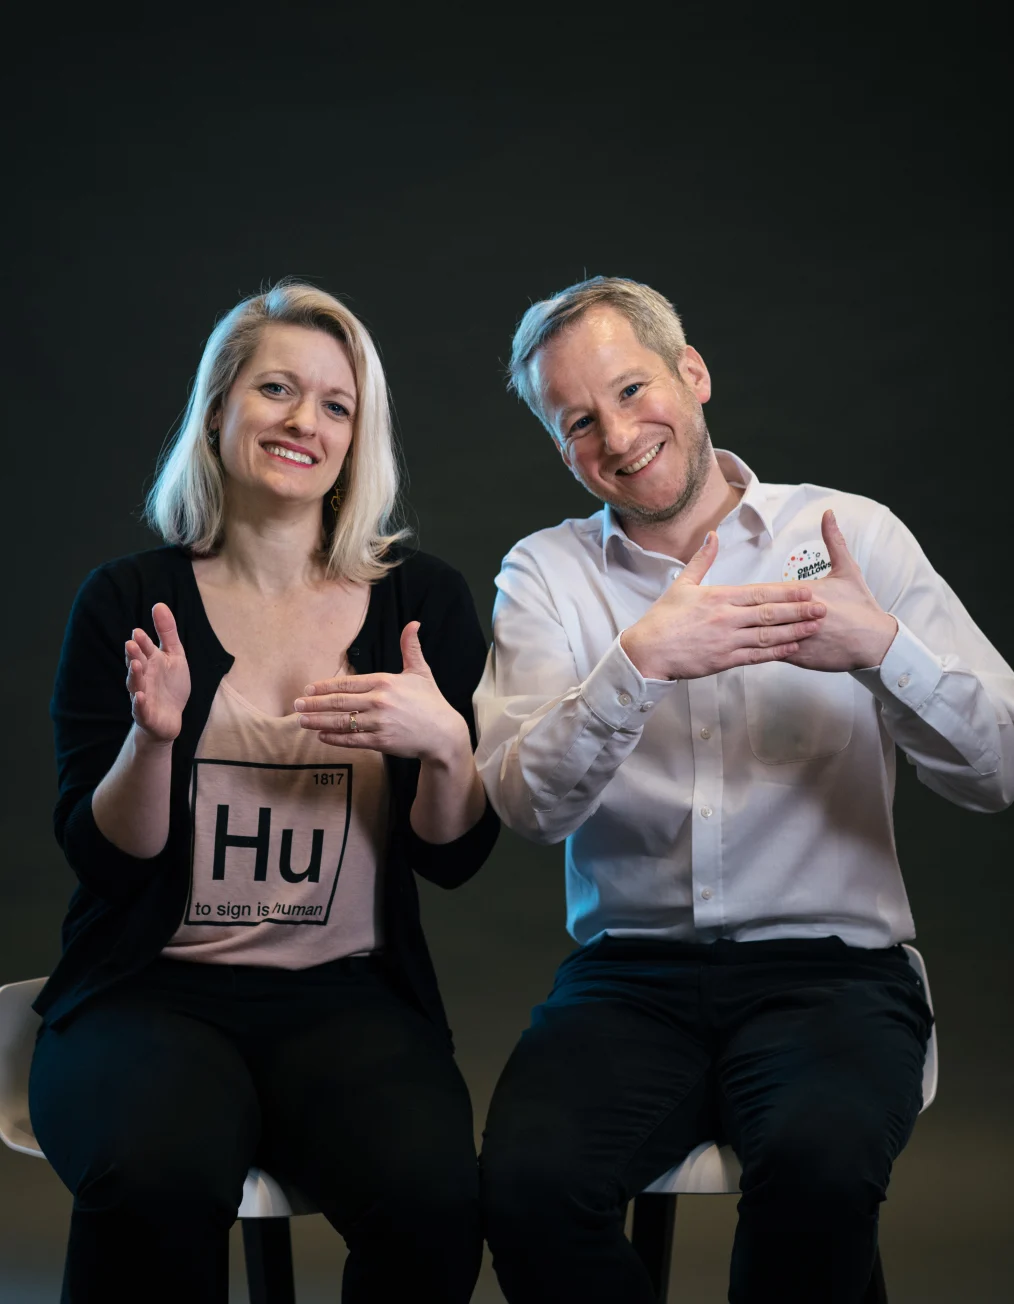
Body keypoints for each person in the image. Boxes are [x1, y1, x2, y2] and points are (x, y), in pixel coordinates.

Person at [474, 276, 1014, 1303]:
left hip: (837, 975)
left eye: (634, 389)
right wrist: (634, 665)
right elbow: (523, 805)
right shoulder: (544, 574)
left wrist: (882, 650)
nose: (621, 435)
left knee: (818, 1172)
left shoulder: (855, 534)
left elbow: (1001, 771)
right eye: (579, 420)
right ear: (560, 445)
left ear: (694, 373)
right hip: (631, 979)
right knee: (526, 1187)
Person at [29, 280, 499, 1304]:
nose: (304, 421)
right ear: (219, 411)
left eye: (336, 403)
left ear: (359, 435)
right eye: (276, 388)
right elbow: (108, 858)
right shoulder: (126, 598)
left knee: (435, 1197)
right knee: (154, 1178)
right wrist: (154, 743)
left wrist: (448, 748)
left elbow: (455, 857)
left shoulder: (423, 603)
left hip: (345, 999)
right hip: (149, 991)